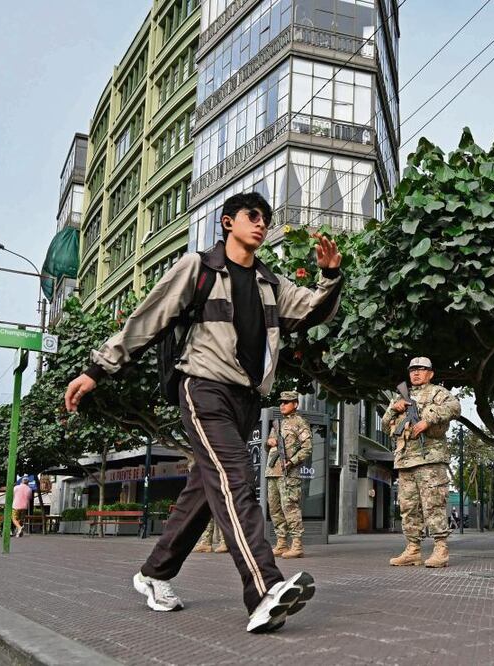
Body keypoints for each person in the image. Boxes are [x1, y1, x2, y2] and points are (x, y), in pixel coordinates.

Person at [64, 191, 343, 632]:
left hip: (247, 401)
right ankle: (264, 589)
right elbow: (147, 319)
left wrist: (330, 275)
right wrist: (97, 370)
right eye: (253, 216)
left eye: (266, 219)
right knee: (236, 481)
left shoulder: (271, 284)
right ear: (228, 222)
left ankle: (154, 573)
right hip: (204, 388)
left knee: (203, 496)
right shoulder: (198, 269)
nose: (261, 224)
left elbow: (312, 312)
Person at [382, 357, 461, 568]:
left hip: (430, 458)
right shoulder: (400, 396)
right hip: (405, 460)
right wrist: (393, 409)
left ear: (431, 373)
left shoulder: (438, 392)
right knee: (408, 508)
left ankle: (440, 549)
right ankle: (412, 550)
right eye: (412, 370)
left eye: (421, 369)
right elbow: (383, 424)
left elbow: (455, 407)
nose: (416, 373)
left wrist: (428, 419)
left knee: (433, 505)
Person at [265, 391, 313, 559]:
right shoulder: (277, 423)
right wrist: (269, 442)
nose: (282, 405)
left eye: (287, 402)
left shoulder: (300, 423)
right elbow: (270, 444)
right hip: (272, 472)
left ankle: (297, 545)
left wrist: (292, 461)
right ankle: (281, 543)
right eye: (281, 402)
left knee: (290, 508)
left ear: (296, 404)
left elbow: (307, 447)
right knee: (275, 509)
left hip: (288, 473)